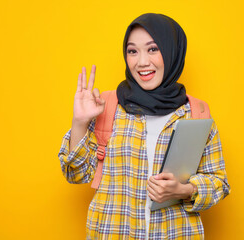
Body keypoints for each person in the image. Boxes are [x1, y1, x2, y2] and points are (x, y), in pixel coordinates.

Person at [58, 13, 230, 239]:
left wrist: (184, 190)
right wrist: (79, 122)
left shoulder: (195, 113)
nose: (141, 62)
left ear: (171, 51)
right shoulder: (107, 106)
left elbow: (219, 183)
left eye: (152, 49)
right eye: (132, 51)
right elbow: (76, 175)